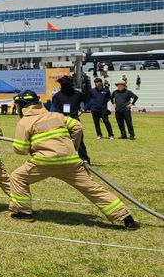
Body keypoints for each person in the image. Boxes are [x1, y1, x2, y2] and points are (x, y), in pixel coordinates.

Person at [8, 90, 139, 229]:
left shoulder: (24, 122)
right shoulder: (56, 116)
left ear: (22, 106)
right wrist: (73, 145)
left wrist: (30, 146)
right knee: (92, 189)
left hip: (43, 163)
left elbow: (20, 150)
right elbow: (77, 126)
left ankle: (24, 212)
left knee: (17, 177)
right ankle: (125, 217)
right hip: (70, 161)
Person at [50, 75, 91, 163]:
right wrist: (54, 115)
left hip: (74, 120)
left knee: (79, 141)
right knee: (61, 141)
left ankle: (84, 159)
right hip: (61, 121)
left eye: (65, 83)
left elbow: (90, 101)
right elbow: (53, 107)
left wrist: (83, 109)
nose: (63, 85)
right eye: (62, 83)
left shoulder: (78, 94)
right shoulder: (57, 96)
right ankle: (62, 159)